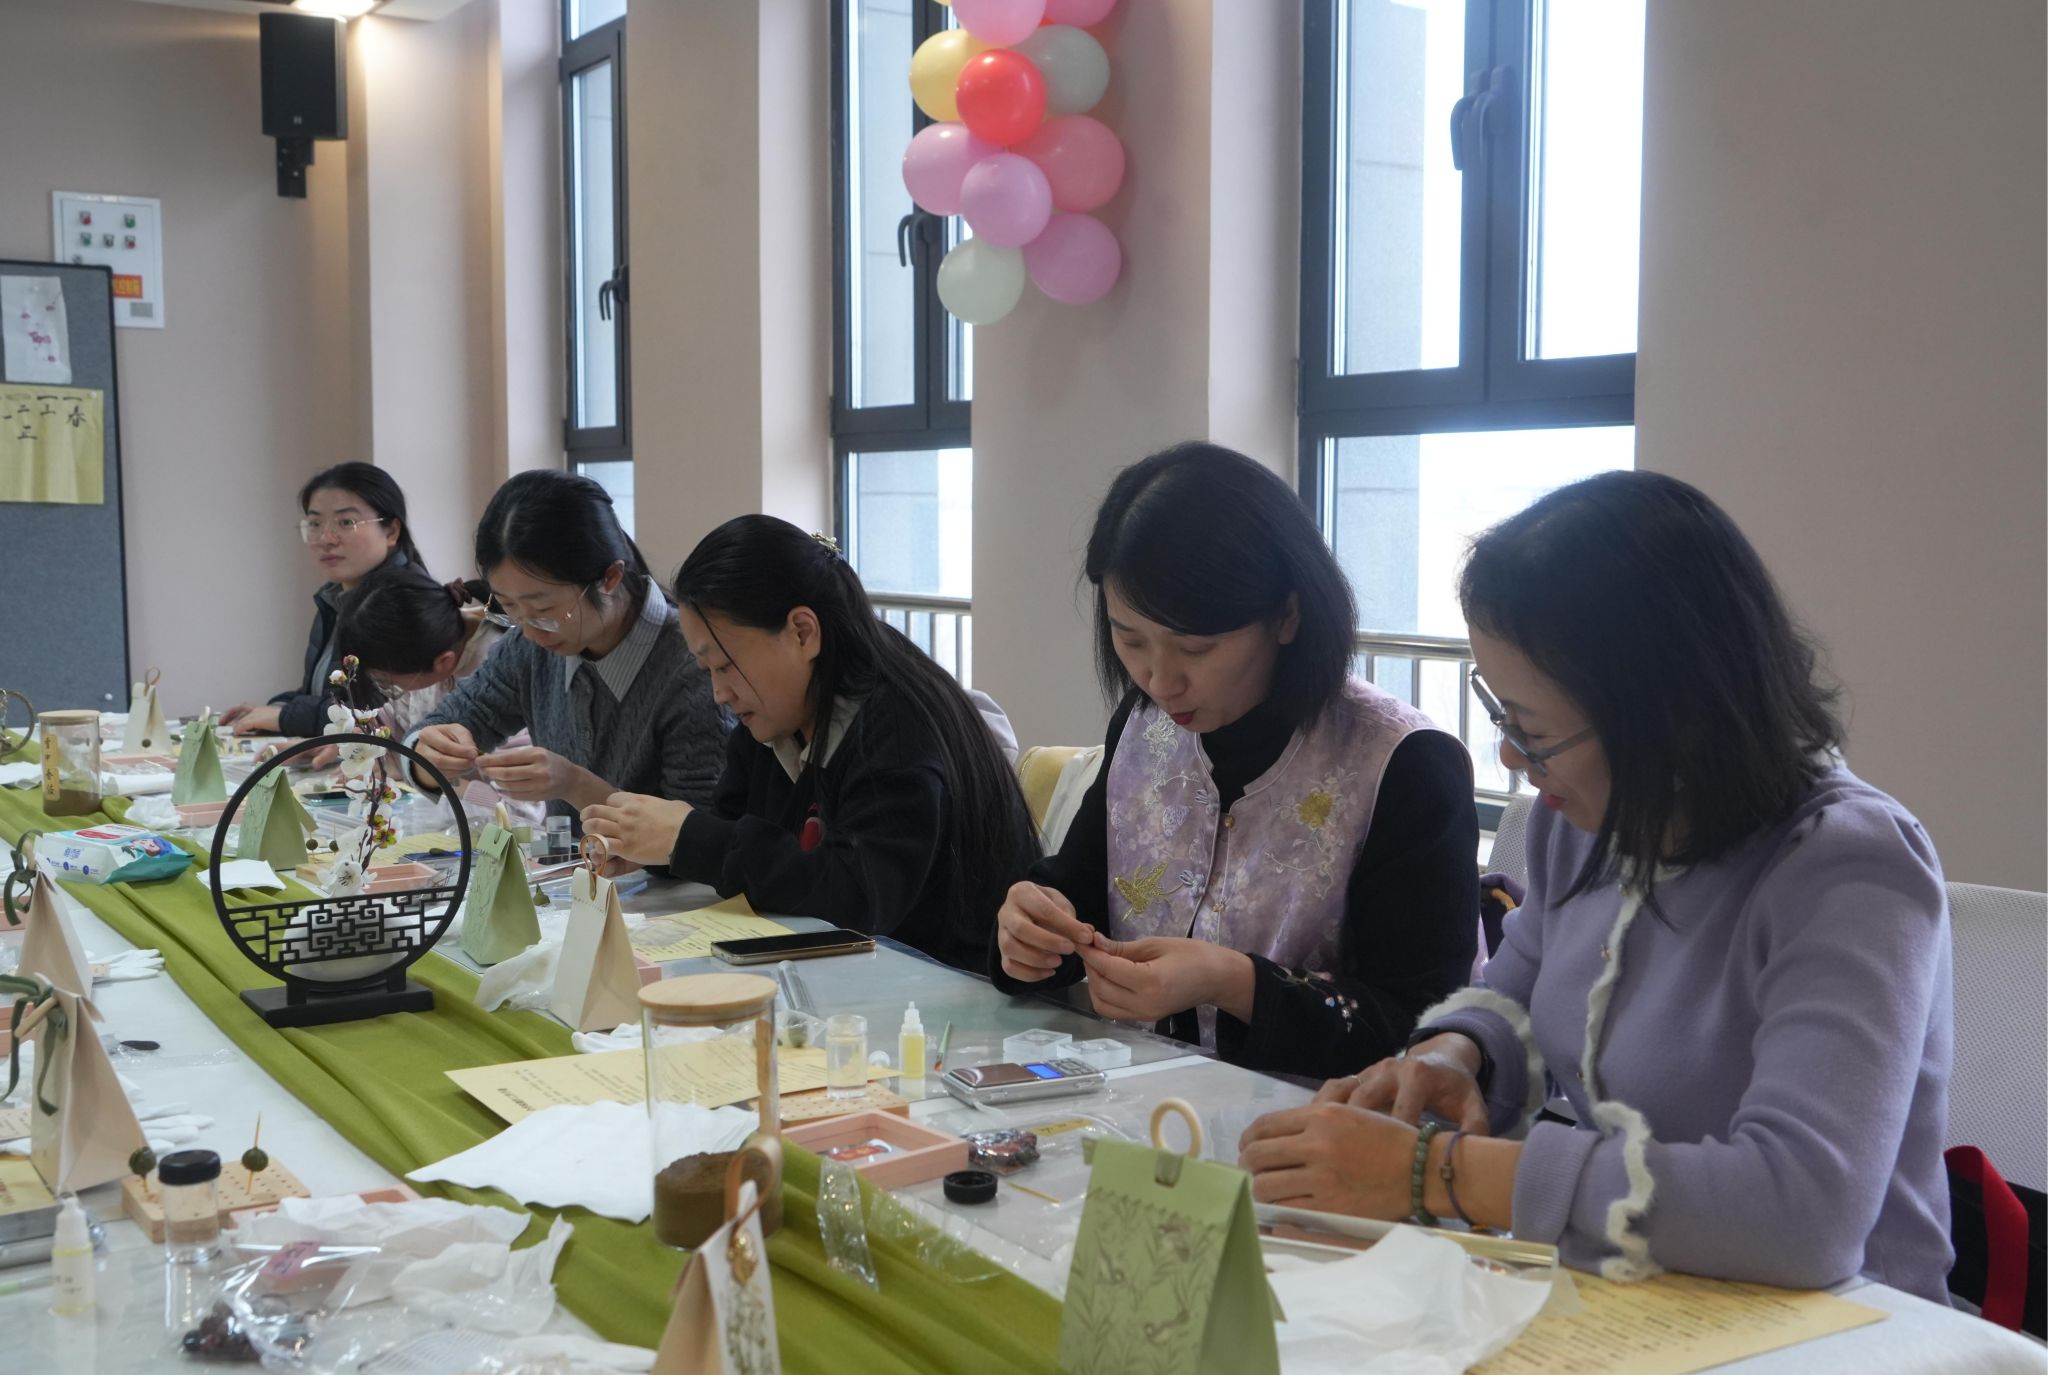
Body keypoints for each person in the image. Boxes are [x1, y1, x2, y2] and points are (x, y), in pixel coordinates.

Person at [1238, 470, 1955, 1302]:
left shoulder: (1847, 868)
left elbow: (1803, 1211)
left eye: (1533, 731)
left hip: (1848, 1324)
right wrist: (1452, 1053)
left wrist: (1436, 1171)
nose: (1512, 757)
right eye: (1501, 715)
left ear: (1668, 717)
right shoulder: (1581, 820)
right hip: (1642, 1289)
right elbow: (1513, 997)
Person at [991, 443, 1478, 1079]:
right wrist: (1031, 930)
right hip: (1141, 1106)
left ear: (1287, 616)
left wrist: (1236, 983)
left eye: (1196, 648)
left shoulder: (1403, 763)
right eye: (1129, 638)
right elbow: (1075, 892)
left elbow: (1426, 1027)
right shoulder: (1144, 727)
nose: (1160, 680)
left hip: (1322, 1122)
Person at [581, 517, 1037, 971]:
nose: (719, 693)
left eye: (724, 665)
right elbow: (734, 831)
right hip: (865, 976)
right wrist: (656, 844)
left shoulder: (898, 723)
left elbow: (860, 896)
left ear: (802, 632)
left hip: (953, 987)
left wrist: (690, 840)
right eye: (707, 671)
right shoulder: (781, 714)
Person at [406, 470, 727, 822]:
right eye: (508, 607)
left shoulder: (694, 666)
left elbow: (700, 832)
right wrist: (429, 755)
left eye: (544, 609)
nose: (530, 631)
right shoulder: (528, 649)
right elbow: (443, 725)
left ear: (610, 577)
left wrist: (575, 785)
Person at [222, 463, 423, 738]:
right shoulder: (335, 597)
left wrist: (285, 716)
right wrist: (279, 708)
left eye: (346, 522)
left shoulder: (405, 605)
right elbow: (322, 695)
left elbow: (380, 714)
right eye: (315, 524)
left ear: (391, 531)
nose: (326, 539)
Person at [335, 564, 503, 739]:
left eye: (384, 681)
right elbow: (400, 717)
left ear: (444, 662)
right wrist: (361, 732)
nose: (393, 688)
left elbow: (504, 750)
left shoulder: (497, 667)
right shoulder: (424, 643)